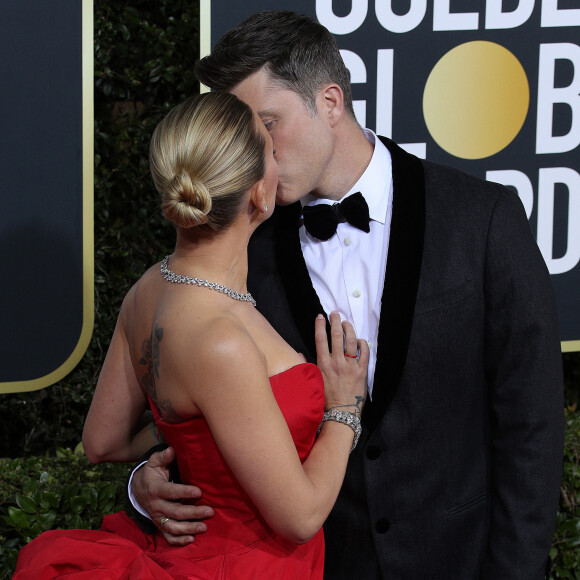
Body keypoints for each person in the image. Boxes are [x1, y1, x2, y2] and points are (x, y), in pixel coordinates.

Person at [129, 10, 565, 580]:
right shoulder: (236, 248)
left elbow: (531, 426)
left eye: (267, 124)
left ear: (330, 102)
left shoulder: (482, 220)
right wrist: (144, 481)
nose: (255, 153)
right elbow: (181, 401)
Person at [13, 91, 370, 579]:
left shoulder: (147, 289)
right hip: (247, 567)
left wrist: (179, 451)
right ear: (259, 194)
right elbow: (301, 517)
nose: (279, 156)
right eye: (270, 148)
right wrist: (344, 409)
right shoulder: (220, 338)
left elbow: (103, 441)